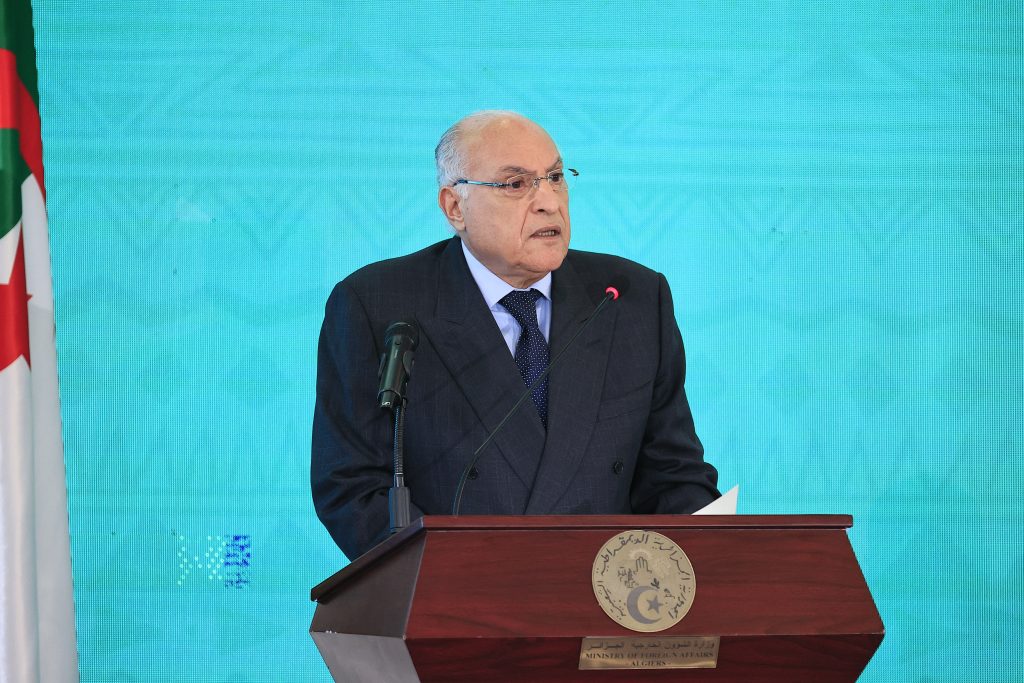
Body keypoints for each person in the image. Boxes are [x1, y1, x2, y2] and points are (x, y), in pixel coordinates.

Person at [312, 111, 719, 559]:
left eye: (556, 178)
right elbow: (353, 488)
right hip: (460, 589)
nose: (549, 202)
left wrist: (711, 558)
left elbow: (674, 475)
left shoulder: (629, 298)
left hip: (605, 589)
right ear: (455, 207)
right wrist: (449, 581)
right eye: (516, 184)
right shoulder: (379, 306)